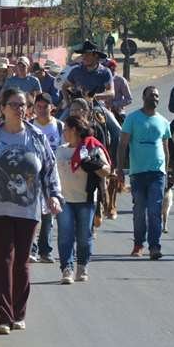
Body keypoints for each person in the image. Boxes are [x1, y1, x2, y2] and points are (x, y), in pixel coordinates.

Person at [0, 88, 63, 335]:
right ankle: (3, 317)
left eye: (22, 105)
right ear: (2, 108)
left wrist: (54, 195)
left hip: (28, 208)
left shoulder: (36, 136)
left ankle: (19, 314)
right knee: (2, 260)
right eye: (14, 104)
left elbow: (49, 169)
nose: (19, 109)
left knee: (21, 262)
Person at [118, 86, 172, 260]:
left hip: (158, 173)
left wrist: (166, 171)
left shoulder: (163, 121)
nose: (154, 98)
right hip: (138, 173)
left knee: (155, 210)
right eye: (151, 95)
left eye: (157, 96)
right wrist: (120, 169)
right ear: (143, 97)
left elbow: (166, 148)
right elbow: (123, 145)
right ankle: (138, 244)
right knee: (140, 210)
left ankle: (154, 246)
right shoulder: (132, 118)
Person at [56, 115, 110, 283]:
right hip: (64, 199)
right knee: (65, 235)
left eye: (66, 129)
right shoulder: (61, 150)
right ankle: (67, 268)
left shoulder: (92, 148)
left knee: (84, 237)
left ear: (74, 130)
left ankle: (82, 266)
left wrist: (93, 164)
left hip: (85, 199)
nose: (64, 133)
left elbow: (107, 170)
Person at [29, 93, 62, 263]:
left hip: (52, 176)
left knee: (48, 214)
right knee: (32, 214)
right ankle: (31, 249)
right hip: (32, 177)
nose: (42, 110)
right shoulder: (29, 126)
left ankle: (45, 250)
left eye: (45, 107)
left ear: (52, 107)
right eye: (39, 107)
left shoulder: (60, 126)